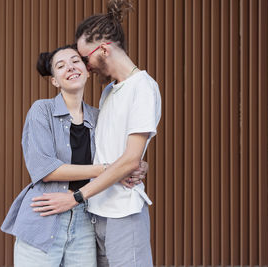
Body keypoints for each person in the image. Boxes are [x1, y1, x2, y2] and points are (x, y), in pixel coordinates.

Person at [31, 1, 162, 266]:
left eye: (84, 59)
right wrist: (132, 164)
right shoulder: (109, 92)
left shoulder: (143, 87)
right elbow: (111, 152)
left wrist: (76, 196)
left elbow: (129, 159)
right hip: (95, 214)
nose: (85, 67)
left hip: (123, 213)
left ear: (103, 49)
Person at [1, 44, 147, 267]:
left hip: (84, 219)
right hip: (44, 213)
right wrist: (109, 169)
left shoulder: (99, 117)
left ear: (87, 71)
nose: (70, 68)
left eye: (75, 61)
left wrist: (136, 165)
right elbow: (46, 169)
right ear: (55, 81)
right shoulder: (42, 110)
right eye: (61, 66)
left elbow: (122, 156)